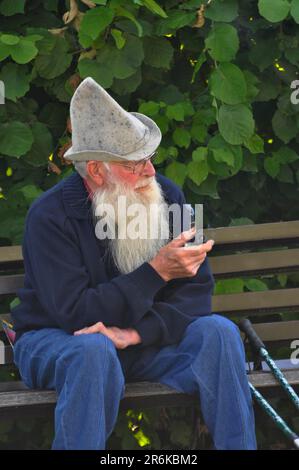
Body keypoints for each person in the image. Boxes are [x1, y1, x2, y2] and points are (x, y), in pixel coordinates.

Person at [11, 77, 257, 450]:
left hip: (143, 345)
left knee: (219, 333)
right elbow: (76, 315)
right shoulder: (49, 216)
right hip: (59, 343)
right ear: (96, 170)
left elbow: (197, 293)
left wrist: (135, 334)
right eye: (135, 164)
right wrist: (155, 272)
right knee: (94, 351)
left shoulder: (169, 196)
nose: (150, 173)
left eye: (149, 160)